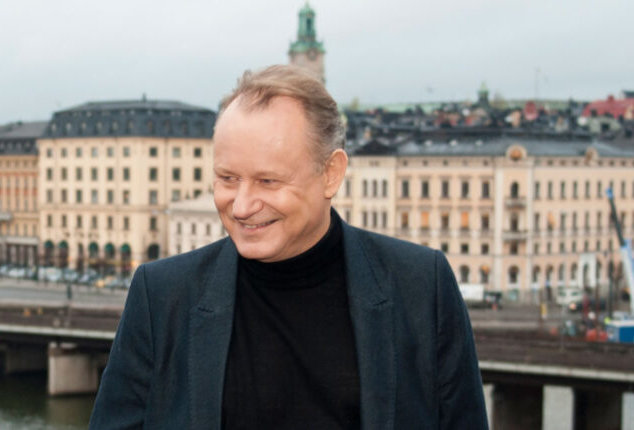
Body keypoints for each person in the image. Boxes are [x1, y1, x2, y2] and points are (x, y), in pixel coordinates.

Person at [89, 65, 488, 430]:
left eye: (268, 181)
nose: (241, 206)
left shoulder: (422, 285)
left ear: (331, 174)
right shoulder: (161, 295)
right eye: (227, 178)